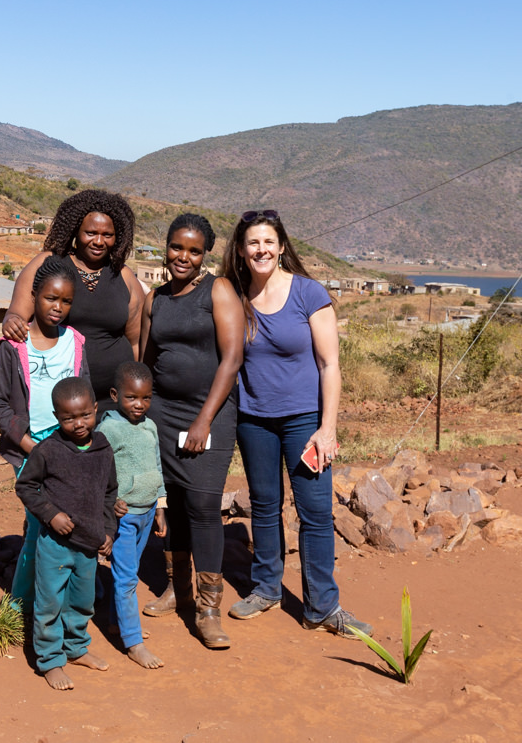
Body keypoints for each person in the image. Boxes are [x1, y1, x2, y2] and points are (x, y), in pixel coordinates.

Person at [222, 209, 372, 638]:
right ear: (242, 250)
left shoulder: (308, 293)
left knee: (315, 514)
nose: (261, 249)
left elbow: (330, 364)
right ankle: (266, 589)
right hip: (254, 422)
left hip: (304, 421)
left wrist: (327, 428)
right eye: (253, 242)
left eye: (268, 241)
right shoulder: (234, 296)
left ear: (282, 246)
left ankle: (322, 606)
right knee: (265, 507)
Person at [139, 214, 244, 649]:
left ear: (205, 255)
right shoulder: (155, 299)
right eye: (177, 247)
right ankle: (177, 588)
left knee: (202, 504)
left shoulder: (217, 291)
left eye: (194, 250)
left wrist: (202, 420)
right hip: (163, 414)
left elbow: (232, 358)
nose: (184, 257)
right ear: (165, 247)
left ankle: (208, 608)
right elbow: (145, 359)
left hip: (210, 413)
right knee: (176, 503)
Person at [0, 255, 88, 610]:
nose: (57, 307)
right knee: (42, 520)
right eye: (50, 298)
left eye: (66, 301)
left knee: (52, 526)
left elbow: (85, 397)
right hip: (28, 448)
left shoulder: (75, 344)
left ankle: (51, 599)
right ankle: (21, 606)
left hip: (66, 448)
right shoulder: (14, 346)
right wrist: (28, 443)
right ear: (34, 296)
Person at [2, 189, 147, 414]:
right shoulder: (48, 265)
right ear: (75, 232)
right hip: (63, 404)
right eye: (90, 232)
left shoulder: (125, 277)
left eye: (107, 235)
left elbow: (136, 342)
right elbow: (16, 314)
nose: (99, 241)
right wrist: (11, 321)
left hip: (115, 404)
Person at [16, 377, 118, 691]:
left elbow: (109, 493)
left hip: (88, 545)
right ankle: (50, 660)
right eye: (68, 418)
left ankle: (75, 649)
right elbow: (25, 486)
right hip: (55, 544)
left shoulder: (102, 449)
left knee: (82, 601)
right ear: (57, 417)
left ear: (96, 409)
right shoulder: (48, 451)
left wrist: (108, 531)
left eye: (85, 415)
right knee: (49, 603)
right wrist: (51, 514)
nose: (78, 424)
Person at [96, 361, 167, 669]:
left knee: (129, 571)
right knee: (127, 579)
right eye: (132, 398)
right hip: (123, 518)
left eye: (146, 398)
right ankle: (133, 643)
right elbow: (96, 471)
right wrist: (110, 500)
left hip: (147, 511)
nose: (140, 405)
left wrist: (161, 505)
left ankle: (118, 623)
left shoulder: (150, 426)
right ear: (115, 395)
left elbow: (157, 467)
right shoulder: (109, 429)